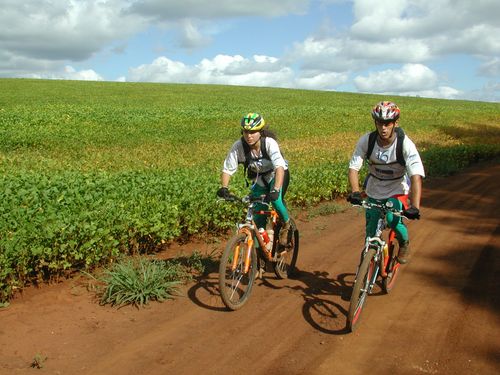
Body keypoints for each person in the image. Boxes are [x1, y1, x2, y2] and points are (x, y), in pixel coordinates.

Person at [347, 101, 424, 264]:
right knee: (370, 233)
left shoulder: (405, 144)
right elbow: (353, 168)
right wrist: (355, 192)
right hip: (374, 188)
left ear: (395, 123)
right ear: (375, 122)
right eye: (380, 123)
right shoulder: (367, 141)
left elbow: (416, 176)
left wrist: (415, 207)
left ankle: (404, 242)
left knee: (391, 218)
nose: (383, 128)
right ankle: (369, 265)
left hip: (397, 188)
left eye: (387, 123)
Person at [216, 113, 291, 246]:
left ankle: (286, 225)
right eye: (246, 131)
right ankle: (259, 257)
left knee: (277, 201)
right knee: (257, 217)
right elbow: (228, 168)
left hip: (277, 174)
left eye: (253, 132)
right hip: (260, 178)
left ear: (260, 132)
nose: (249, 136)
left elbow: (279, 168)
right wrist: (224, 188)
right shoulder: (239, 146)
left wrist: (276, 189)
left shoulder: (269, 143)